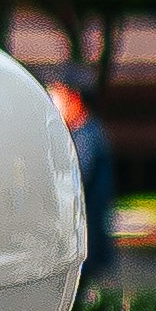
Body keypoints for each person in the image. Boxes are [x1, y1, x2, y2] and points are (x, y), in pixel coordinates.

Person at [50, 72, 119, 276]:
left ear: (74, 97)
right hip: (86, 243)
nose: (54, 104)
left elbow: (75, 179)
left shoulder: (87, 136)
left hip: (86, 245)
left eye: (58, 96)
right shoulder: (85, 132)